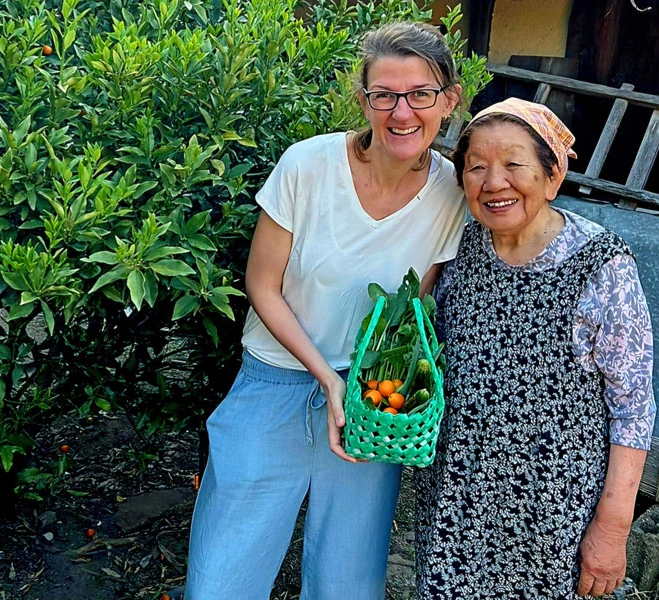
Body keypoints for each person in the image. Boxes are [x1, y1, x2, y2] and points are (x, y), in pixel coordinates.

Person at [185, 22, 467, 600]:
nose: (402, 111)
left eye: (420, 94)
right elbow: (262, 285)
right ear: (363, 99)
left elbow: (412, 311)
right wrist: (323, 377)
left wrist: (362, 389)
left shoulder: (452, 194)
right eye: (384, 94)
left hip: (372, 400)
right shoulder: (307, 166)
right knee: (223, 571)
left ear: (448, 100)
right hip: (274, 380)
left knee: (348, 580)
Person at [415, 98, 656, 599]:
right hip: (456, 497)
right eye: (476, 167)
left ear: (552, 176)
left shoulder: (601, 264)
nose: (493, 181)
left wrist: (612, 528)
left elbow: (632, 405)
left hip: (551, 514)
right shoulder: (459, 247)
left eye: (513, 164)